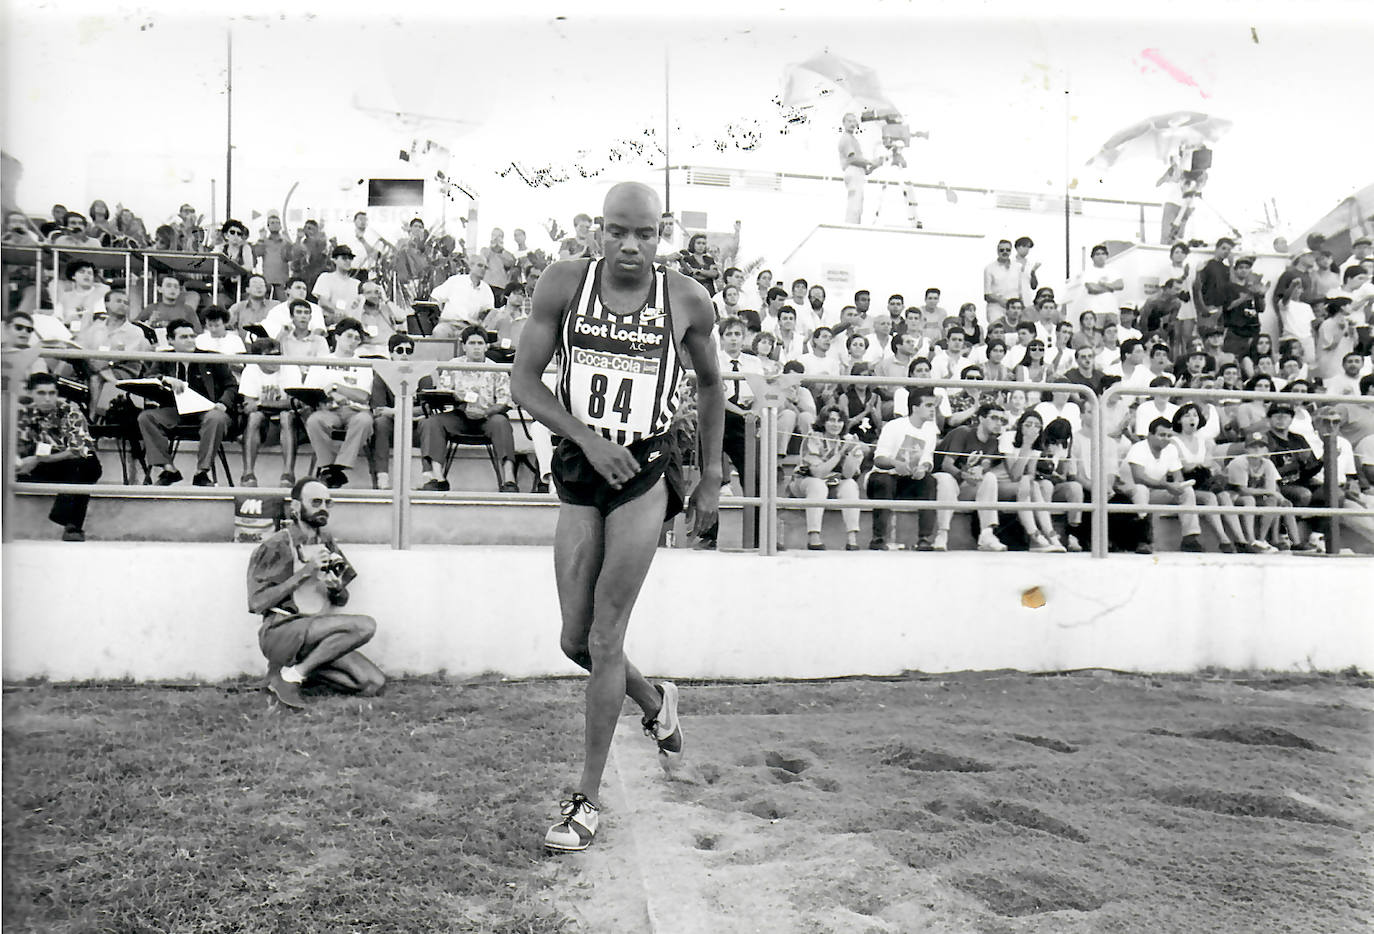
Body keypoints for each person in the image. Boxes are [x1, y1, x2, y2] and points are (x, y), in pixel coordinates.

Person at [510, 181, 723, 853]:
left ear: (662, 236)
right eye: (617, 231)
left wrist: (712, 476)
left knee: (605, 639)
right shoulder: (563, 283)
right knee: (576, 641)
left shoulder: (686, 298)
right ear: (596, 231)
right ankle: (656, 703)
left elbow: (714, 384)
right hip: (582, 465)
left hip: (643, 473)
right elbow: (524, 381)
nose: (630, 245)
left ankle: (585, 799)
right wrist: (588, 439)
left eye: (646, 234)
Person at [246, 477, 385, 709]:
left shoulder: (327, 542)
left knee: (373, 683)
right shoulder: (276, 545)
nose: (323, 508)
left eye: (327, 503)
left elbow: (341, 600)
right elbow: (257, 603)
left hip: (317, 633)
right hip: (282, 630)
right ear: (296, 507)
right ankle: (295, 674)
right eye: (316, 502)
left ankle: (288, 674)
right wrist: (305, 572)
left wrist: (337, 588)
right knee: (365, 625)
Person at [417, 326, 520, 492]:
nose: (477, 346)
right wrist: (461, 405)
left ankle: (509, 480)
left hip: (488, 418)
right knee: (430, 423)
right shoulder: (452, 365)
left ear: (486, 346)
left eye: (480, 343)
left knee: (502, 422)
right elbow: (443, 394)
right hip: (459, 416)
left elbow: (505, 401)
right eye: (472, 343)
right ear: (464, 346)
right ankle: (437, 478)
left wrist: (485, 413)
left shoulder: (496, 368)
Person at [137, 319, 238, 486]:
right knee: (146, 417)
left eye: (192, 336)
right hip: (175, 411)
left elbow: (231, 385)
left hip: (208, 410)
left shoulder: (211, 358)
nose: (190, 340)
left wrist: (223, 403)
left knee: (216, 418)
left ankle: (202, 472)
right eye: (184, 337)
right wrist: (165, 379)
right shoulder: (163, 358)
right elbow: (148, 378)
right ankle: (169, 469)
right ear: (170, 340)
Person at [15, 371, 102, 541]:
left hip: (64, 466)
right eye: (41, 393)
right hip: (32, 468)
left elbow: (79, 449)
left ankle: (70, 523)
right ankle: (72, 525)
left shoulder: (70, 411)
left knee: (87, 464)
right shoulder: (21, 413)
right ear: (30, 393)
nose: (47, 398)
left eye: (52, 393)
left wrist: (41, 459)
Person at [867, 387, 944, 550]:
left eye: (934, 406)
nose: (933, 410)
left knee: (930, 481)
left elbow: (927, 459)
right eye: (929, 405)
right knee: (884, 481)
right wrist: (896, 463)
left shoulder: (930, 430)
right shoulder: (894, 426)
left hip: (907, 480)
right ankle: (878, 539)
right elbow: (879, 459)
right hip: (884, 475)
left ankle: (924, 539)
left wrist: (922, 468)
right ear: (915, 408)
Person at [303, 318, 374, 489]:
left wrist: (336, 388)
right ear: (337, 337)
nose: (353, 341)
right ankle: (328, 465)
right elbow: (310, 392)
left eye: (357, 338)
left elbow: (363, 396)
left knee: (364, 421)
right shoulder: (322, 362)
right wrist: (330, 397)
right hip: (328, 409)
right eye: (349, 336)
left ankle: (337, 468)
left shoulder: (363, 364)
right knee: (314, 421)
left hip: (355, 411)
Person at [788, 405, 865, 550]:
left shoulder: (848, 440)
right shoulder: (814, 437)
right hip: (805, 482)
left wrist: (850, 453)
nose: (836, 424)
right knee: (818, 485)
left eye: (839, 421)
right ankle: (813, 537)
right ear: (823, 422)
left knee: (850, 485)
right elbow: (818, 473)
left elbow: (848, 474)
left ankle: (852, 538)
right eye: (831, 420)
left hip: (834, 483)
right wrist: (840, 453)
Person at [1124, 416, 1204, 554]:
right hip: (1128, 492)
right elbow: (1139, 478)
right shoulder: (1138, 448)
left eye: (1168, 435)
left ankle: (1190, 538)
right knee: (1141, 490)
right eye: (1162, 435)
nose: (1166, 439)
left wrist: (1178, 486)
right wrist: (1167, 485)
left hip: (1154, 491)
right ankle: (1143, 539)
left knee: (1186, 491)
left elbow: (1178, 477)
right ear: (1150, 435)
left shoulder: (1171, 449)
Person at [238, 337, 303, 488]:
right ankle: (248, 474)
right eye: (270, 356)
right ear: (258, 359)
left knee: (286, 416)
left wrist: (261, 403)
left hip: (288, 424)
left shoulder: (290, 367)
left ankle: (288, 474)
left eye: (278, 355)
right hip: (262, 426)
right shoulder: (251, 370)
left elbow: (294, 403)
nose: (276, 360)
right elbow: (248, 407)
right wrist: (273, 406)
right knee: (254, 417)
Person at [838, 112, 879, 224]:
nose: (852, 123)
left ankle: (854, 225)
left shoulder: (853, 139)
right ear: (844, 123)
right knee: (854, 205)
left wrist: (873, 166)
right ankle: (850, 228)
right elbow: (852, 159)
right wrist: (869, 161)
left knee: (858, 205)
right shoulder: (846, 138)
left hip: (858, 172)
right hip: (852, 171)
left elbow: (862, 168)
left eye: (853, 121)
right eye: (849, 121)